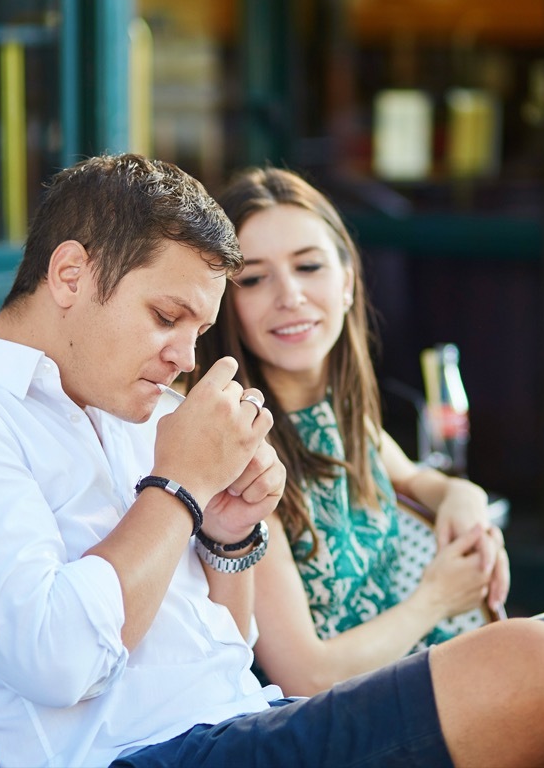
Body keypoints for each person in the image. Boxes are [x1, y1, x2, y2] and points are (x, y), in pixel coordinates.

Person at [0, 153, 544, 768]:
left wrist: (229, 535)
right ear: (71, 274)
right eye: (167, 316)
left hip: (242, 723)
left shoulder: (116, 407)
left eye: (197, 328)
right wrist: (175, 489)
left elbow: (228, 638)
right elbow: (57, 658)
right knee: (539, 669)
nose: (185, 355)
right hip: (144, 757)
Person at [190, 166, 507, 695]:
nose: (289, 295)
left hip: (440, 678)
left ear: (347, 283)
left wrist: (462, 496)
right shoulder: (241, 454)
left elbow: (415, 478)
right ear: (227, 304)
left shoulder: (342, 415)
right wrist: (437, 598)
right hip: (349, 722)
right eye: (254, 278)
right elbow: (305, 675)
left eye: (308, 266)